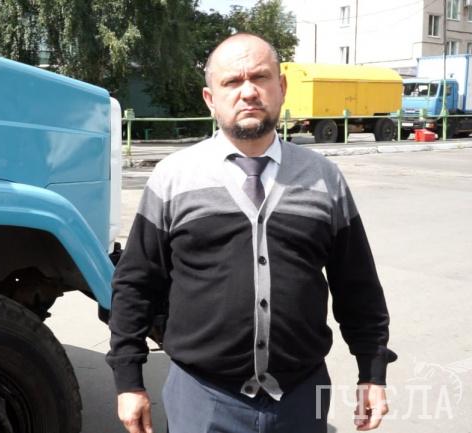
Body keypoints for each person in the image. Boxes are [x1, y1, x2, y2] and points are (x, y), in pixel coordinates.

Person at [106, 33, 396, 433]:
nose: (248, 92)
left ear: (282, 87)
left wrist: (372, 371)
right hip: (202, 398)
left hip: (301, 397)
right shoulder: (173, 178)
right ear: (210, 99)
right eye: (231, 82)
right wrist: (128, 380)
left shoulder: (323, 178)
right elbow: (136, 283)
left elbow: (357, 284)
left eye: (260, 77)